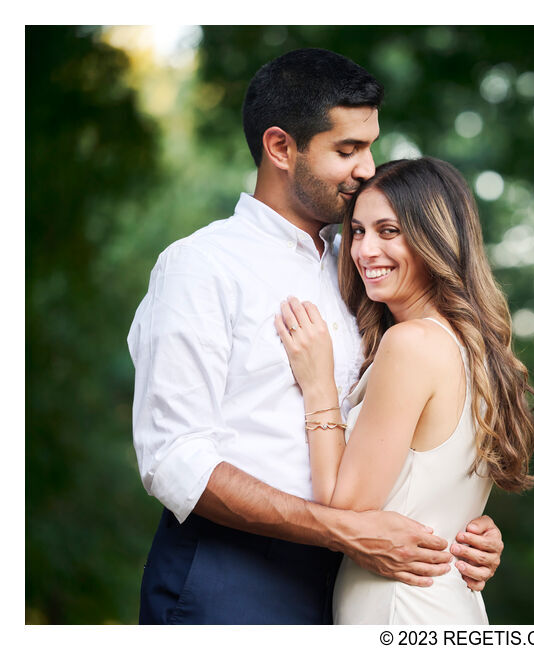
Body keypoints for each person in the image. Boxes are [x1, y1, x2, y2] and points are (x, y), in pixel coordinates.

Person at [128, 49, 503, 625]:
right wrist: (345, 528)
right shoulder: (200, 266)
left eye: (370, 146)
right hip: (232, 580)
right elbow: (173, 458)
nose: (365, 168)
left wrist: (455, 523)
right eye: (347, 149)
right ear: (281, 148)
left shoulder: (361, 267)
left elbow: (412, 423)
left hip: (360, 583)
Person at [275, 157, 534, 624]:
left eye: (388, 231)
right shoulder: (475, 348)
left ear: (434, 238)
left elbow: (347, 509)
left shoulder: (411, 343)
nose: (365, 250)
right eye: (357, 231)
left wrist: (319, 387)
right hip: (447, 603)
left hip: (401, 606)